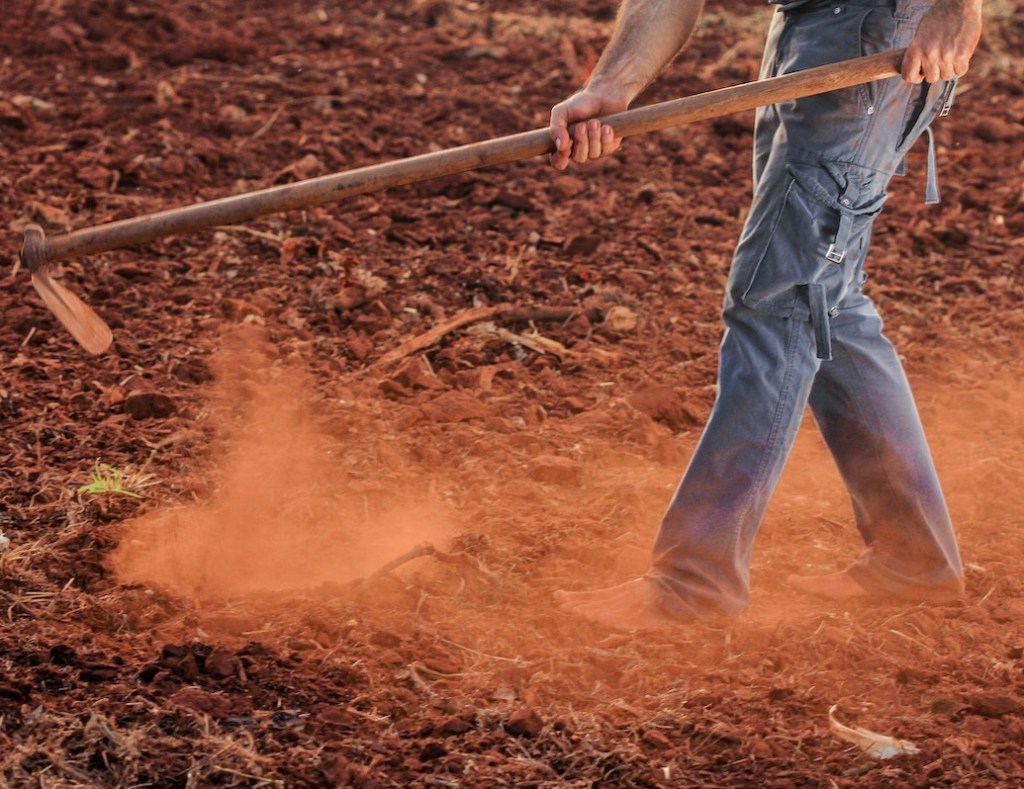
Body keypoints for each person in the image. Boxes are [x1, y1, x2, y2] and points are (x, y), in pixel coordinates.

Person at [549, 0, 983, 629]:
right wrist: (610, 85)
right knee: (824, 296)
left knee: (778, 301)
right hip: (811, 31)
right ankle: (914, 556)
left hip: (882, 28)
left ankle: (693, 584)